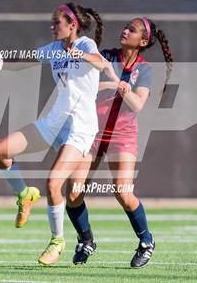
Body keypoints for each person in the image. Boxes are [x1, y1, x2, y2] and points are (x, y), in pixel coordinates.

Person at [0, 2, 104, 266]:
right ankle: (25, 194)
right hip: (53, 123)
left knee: (58, 186)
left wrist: (80, 55)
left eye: (56, 22)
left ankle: (57, 241)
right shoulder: (53, 49)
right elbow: (23, 58)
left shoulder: (85, 45)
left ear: (72, 25)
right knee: (0, 151)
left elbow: (100, 62)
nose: (52, 27)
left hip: (81, 127)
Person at [65, 17, 173, 268]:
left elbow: (137, 104)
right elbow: (86, 87)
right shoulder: (105, 56)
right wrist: (112, 80)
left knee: (123, 193)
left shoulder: (144, 70)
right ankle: (86, 240)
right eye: (126, 27)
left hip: (122, 135)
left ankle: (146, 241)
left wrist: (121, 86)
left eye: (131, 30)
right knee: (73, 192)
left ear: (143, 41)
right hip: (92, 131)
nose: (125, 31)